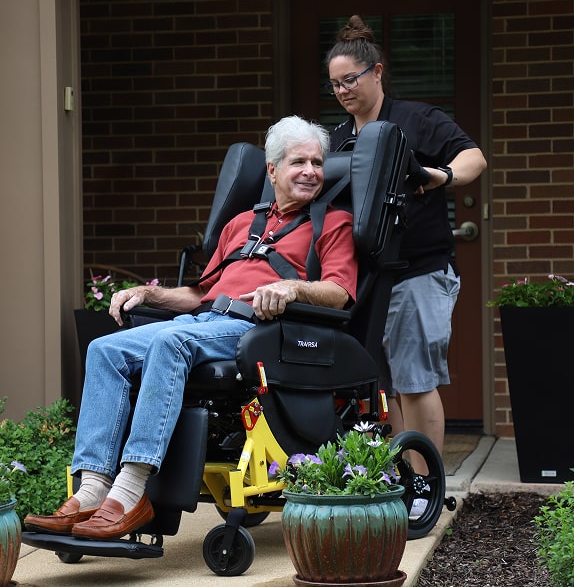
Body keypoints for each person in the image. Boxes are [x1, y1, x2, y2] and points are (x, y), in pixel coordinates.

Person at [24, 115, 358, 540]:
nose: (311, 171)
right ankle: (92, 490)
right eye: (299, 162)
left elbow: (340, 292)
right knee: (105, 349)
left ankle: (130, 491)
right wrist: (149, 294)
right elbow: (201, 292)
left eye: (316, 162)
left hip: (262, 330)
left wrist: (293, 288)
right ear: (272, 170)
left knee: (171, 340)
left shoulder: (334, 223)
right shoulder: (241, 225)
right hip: (204, 322)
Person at [324, 16, 488, 489]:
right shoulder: (338, 138)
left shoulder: (417, 119)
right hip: (367, 279)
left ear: (376, 73)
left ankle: (425, 487)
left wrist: (442, 177)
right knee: (381, 386)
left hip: (421, 271)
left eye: (349, 80)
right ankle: (400, 481)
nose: (342, 91)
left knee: (415, 380)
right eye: (334, 84)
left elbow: (473, 158)